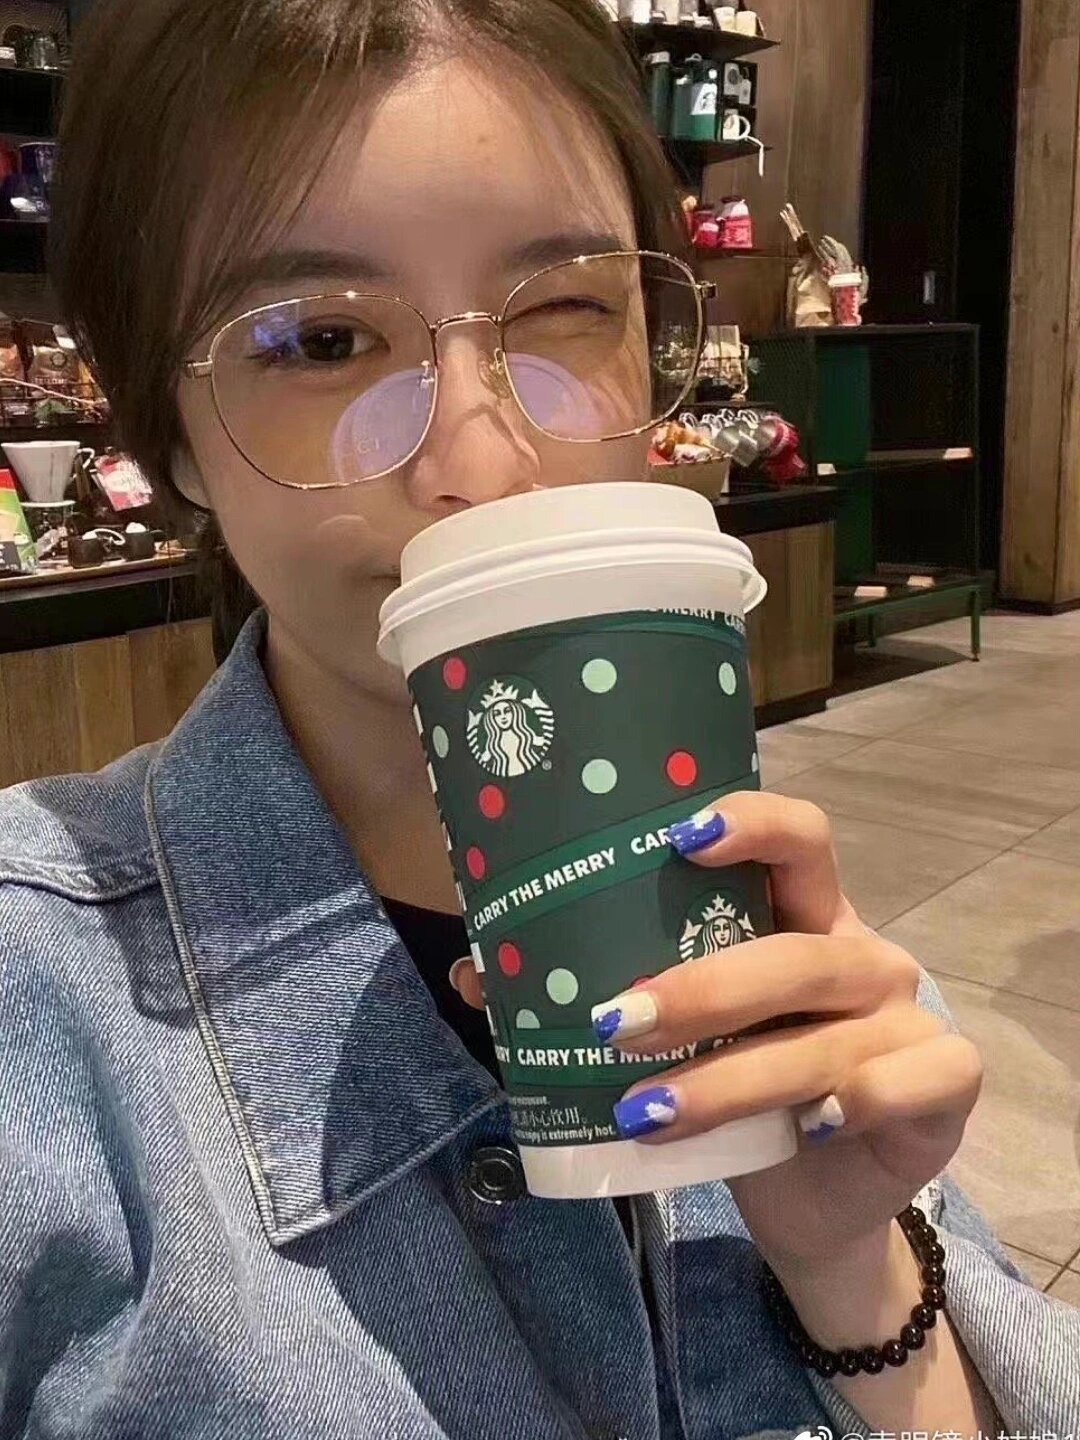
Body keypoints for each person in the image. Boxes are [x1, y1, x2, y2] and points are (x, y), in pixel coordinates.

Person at [0, 1, 1075, 1435]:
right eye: (322, 339)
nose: (481, 460)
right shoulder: (37, 1001)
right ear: (170, 437)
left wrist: (847, 1266)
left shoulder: (768, 913)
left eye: (566, 308)